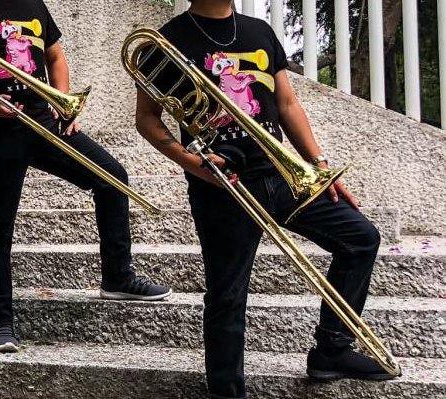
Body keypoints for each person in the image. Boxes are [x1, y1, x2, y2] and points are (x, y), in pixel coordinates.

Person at [133, 1, 394, 397]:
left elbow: (287, 104)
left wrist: (318, 166)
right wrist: (192, 163)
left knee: (361, 238)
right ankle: (226, 391)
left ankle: (332, 350)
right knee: (228, 292)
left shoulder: (260, 32)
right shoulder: (167, 41)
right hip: (223, 184)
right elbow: (147, 119)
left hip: (282, 173)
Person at [0, 0, 172, 352]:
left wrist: (62, 100)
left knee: (112, 177)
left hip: (45, 124)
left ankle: (118, 277)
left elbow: (55, 57)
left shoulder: (33, 3)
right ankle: (0, 322)